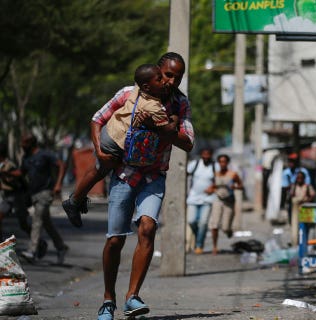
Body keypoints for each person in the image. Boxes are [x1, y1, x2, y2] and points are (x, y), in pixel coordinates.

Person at [91, 52, 194, 320]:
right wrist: (100, 151)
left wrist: (168, 129)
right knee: (115, 240)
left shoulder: (180, 104)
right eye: (168, 75)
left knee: (147, 228)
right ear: (157, 72)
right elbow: (98, 118)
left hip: (154, 174)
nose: (172, 81)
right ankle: (108, 300)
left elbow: (188, 141)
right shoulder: (129, 94)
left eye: (177, 77)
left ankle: (132, 297)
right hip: (125, 173)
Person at [62, 63, 179, 228]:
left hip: (108, 132)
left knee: (100, 170)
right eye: (161, 78)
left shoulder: (135, 92)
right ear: (147, 86)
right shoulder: (154, 107)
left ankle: (77, 199)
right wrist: (174, 116)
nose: (166, 82)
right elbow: (169, 130)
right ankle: (74, 201)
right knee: (101, 169)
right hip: (115, 143)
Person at [18, 134, 69, 265]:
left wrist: (58, 184)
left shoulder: (45, 154)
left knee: (37, 219)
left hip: (45, 192)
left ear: (31, 143)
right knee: (46, 223)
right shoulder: (26, 158)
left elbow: (61, 165)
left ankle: (32, 251)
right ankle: (61, 247)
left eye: (24, 143)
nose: (22, 146)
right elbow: (20, 173)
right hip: (33, 194)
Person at [208, 154, 243, 255]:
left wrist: (235, 187)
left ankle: (228, 231)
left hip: (229, 201)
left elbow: (241, 185)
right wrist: (211, 189)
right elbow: (213, 186)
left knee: (225, 227)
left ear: (227, 163)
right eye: (221, 162)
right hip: (218, 199)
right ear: (218, 163)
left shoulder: (233, 174)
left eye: (224, 162)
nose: (222, 164)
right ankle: (215, 246)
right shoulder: (216, 174)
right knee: (214, 224)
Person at [186, 147, 216, 254]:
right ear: (201, 155)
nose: (206, 156)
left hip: (207, 199)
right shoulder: (195, 164)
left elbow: (221, 179)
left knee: (203, 223)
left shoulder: (214, 166)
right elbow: (185, 174)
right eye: (204, 154)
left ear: (211, 155)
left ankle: (199, 245)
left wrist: (213, 187)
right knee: (191, 221)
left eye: (208, 154)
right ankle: (198, 235)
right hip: (193, 198)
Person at [289, 171, 315, 246]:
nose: (299, 179)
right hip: (295, 208)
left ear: (303, 178)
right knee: (295, 226)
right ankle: (295, 243)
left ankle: (305, 243)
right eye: (298, 178)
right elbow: (291, 196)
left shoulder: (307, 186)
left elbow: (312, 195)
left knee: (305, 227)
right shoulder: (294, 186)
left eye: (301, 178)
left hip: (305, 208)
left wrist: (306, 200)